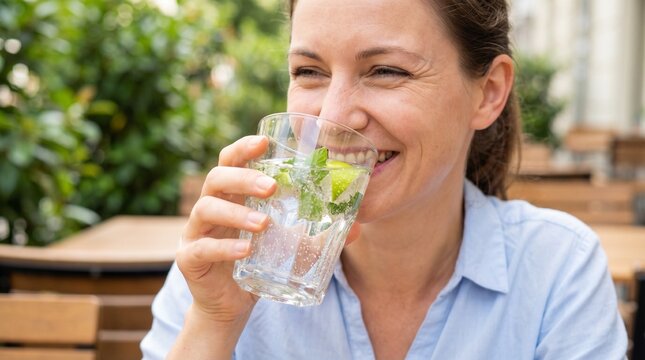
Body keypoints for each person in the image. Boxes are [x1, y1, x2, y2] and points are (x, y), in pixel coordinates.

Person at [141, 0, 628, 358]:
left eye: (386, 71)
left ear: (488, 92)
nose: (333, 117)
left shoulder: (556, 271)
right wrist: (214, 324)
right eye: (309, 70)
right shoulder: (230, 260)